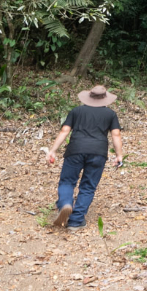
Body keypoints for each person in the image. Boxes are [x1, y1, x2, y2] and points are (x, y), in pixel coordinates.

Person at [46, 84, 122, 229]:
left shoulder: (76, 111)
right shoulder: (110, 114)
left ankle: (66, 203)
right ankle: (75, 221)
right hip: (98, 152)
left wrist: (53, 150)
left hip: (75, 149)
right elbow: (116, 134)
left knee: (67, 181)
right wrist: (119, 155)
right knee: (88, 186)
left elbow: (64, 130)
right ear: (105, 99)